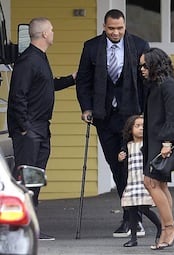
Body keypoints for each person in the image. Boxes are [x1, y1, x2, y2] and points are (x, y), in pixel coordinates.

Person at [76, 9, 150, 238]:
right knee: (115, 165)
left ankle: (132, 218)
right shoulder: (91, 47)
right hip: (104, 115)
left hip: (131, 117)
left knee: (131, 166)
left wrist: (145, 114)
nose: (116, 32)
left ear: (124, 26)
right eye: (111, 28)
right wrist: (86, 107)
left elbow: (147, 83)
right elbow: (84, 81)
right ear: (104, 27)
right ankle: (130, 213)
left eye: (119, 28)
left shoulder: (139, 45)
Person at [7, 17, 76, 241]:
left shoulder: (40, 58)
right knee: (26, 179)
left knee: (35, 179)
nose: (54, 33)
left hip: (41, 128)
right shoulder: (27, 60)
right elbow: (18, 96)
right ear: (45, 34)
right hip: (30, 130)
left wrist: (72, 79)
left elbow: (47, 85)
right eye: (52, 30)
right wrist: (25, 128)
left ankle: (30, 227)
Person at [140, 47, 174, 250]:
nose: (141, 69)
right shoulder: (154, 85)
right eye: (140, 65)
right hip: (153, 140)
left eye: (145, 65)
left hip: (162, 141)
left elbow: (172, 115)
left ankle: (169, 226)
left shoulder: (167, 85)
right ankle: (168, 227)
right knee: (160, 185)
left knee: (150, 182)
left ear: (155, 65)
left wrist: (167, 142)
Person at [118, 115, 162, 247]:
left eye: (143, 126)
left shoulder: (148, 145)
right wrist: (121, 157)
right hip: (132, 181)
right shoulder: (128, 145)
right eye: (137, 126)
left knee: (144, 207)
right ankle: (133, 237)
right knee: (132, 209)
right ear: (130, 129)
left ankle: (160, 227)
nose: (141, 128)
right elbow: (124, 161)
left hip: (144, 181)